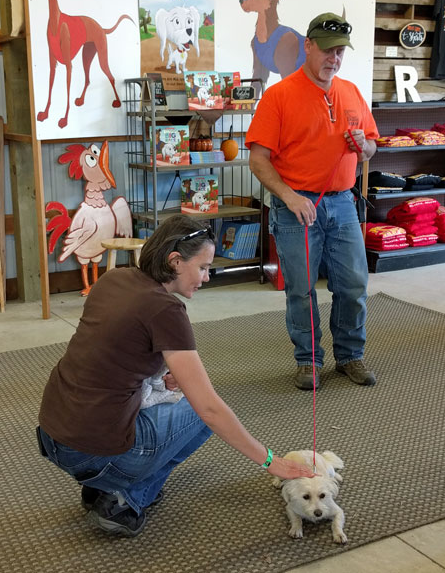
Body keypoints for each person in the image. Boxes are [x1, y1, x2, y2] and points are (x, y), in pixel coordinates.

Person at [37, 214, 314, 537]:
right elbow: (210, 409)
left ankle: (101, 484)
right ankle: (123, 498)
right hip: (90, 450)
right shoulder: (166, 310)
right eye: (202, 267)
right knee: (201, 413)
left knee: (182, 400)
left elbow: (112, 352)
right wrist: (273, 462)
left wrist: (163, 371)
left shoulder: (116, 279)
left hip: (53, 435)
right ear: (175, 261)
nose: (207, 277)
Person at [247, 11, 379, 391]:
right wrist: (289, 197)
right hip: (295, 207)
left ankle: (350, 356)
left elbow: (370, 147)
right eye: (326, 51)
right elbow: (258, 159)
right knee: (301, 290)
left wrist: (364, 146)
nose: (333, 59)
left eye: (339, 52)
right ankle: (308, 361)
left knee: (353, 284)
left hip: (343, 203)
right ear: (307, 46)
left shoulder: (351, 92)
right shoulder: (279, 95)